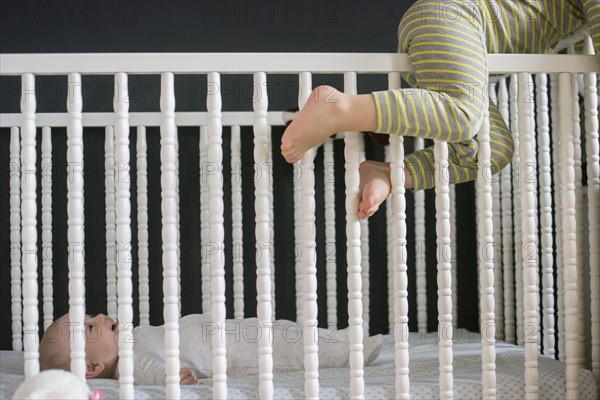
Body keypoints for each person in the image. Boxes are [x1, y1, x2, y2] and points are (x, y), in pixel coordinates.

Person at [280, 0, 600, 219]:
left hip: (450, 42)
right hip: (451, 17)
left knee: (494, 149)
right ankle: (339, 108)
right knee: (463, 116)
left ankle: (388, 174)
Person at [39, 313, 383, 385]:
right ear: (91, 368)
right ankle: (348, 352)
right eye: (89, 327)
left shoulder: (129, 340)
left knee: (284, 331)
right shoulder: (128, 360)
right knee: (286, 350)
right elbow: (148, 368)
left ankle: (340, 339)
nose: (101, 316)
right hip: (232, 352)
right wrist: (171, 375)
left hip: (227, 332)